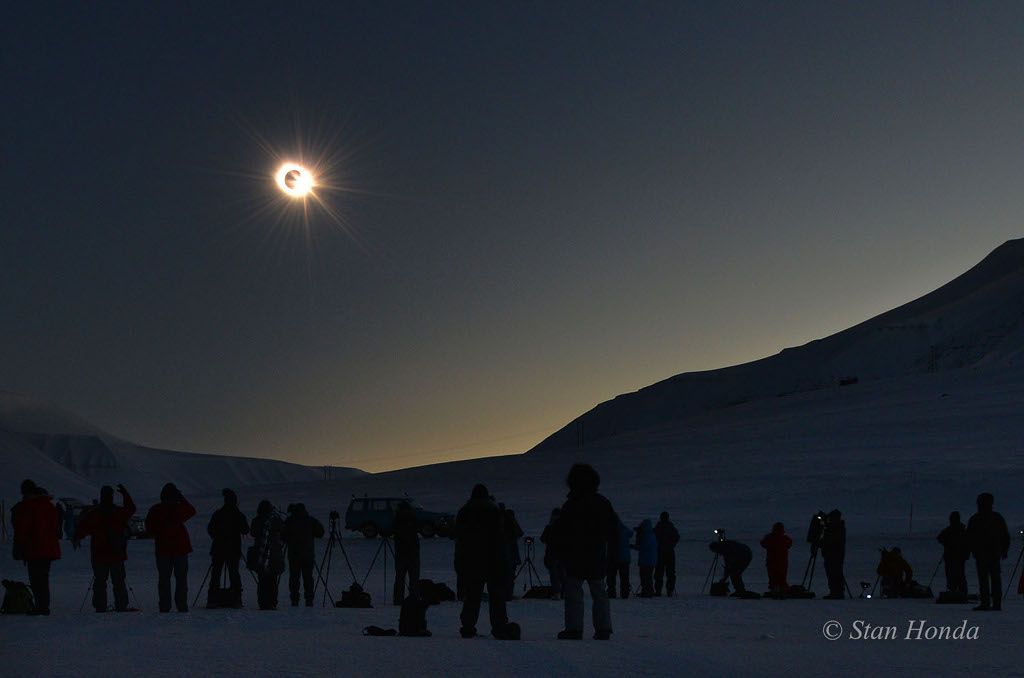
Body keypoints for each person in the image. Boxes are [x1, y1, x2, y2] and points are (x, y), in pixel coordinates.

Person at [555, 463, 617, 640]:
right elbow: (613, 529)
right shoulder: (602, 502)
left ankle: (574, 629)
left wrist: (560, 553)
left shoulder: (571, 504)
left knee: (574, 592)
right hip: (597, 554)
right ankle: (603, 628)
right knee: (599, 592)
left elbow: (562, 532)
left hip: (575, 555)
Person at [454, 484, 518, 639]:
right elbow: (501, 538)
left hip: (472, 560)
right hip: (494, 560)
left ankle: (468, 626)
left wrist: (460, 562)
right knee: (497, 596)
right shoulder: (494, 511)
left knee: (472, 595)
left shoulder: (464, 511)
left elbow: (460, 539)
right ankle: (499, 626)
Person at [74, 484, 136, 612]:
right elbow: (131, 509)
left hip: (99, 554)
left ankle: (100, 606)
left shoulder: (95, 513)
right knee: (118, 582)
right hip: (116, 553)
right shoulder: (117, 512)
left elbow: (83, 527)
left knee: (100, 582)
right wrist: (125, 494)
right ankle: (121, 605)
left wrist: (77, 537)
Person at [145, 483, 196, 612]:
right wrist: (181, 498)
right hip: (178, 549)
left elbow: (149, 529)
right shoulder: (177, 509)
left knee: (165, 579)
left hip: (164, 550)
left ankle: (165, 606)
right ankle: (181, 605)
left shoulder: (156, 509)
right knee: (180, 580)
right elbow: (191, 510)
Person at [12, 479, 61, 615]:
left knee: (36, 579)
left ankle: (41, 607)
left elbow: (23, 529)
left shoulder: (28, 507)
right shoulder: (49, 506)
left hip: (35, 549)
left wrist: (19, 547)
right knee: (43, 578)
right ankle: (43, 606)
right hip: (49, 549)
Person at [967, 492, 1010, 611]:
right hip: (990, 553)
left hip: (986, 554)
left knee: (987, 579)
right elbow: (1005, 536)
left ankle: (989, 603)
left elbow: (969, 537)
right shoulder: (996, 518)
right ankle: (994, 603)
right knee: (992, 579)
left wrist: (1004, 549)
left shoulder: (977, 518)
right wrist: (1004, 550)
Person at [207, 488, 249, 608]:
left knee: (216, 573)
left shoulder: (218, 514)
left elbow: (210, 529)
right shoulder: (238, 515)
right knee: (234, 573)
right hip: (233, 549)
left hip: (218, 549)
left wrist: (217, 537)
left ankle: (213, 599)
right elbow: (246, 529)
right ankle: (236, 599)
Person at [282, 503, 324, 607]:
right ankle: (309, 599)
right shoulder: (310, 521)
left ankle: (294, 599)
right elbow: (320, 533)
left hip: (294, 555)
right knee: (308, 578)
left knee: (294, 578)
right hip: (308, 555)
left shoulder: (290, 521)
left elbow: (283, 536)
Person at [251, 500, 285, 610]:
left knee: (262, 580)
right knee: (272, 579)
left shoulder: (257, 521)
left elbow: (252, 532)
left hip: (261, 554)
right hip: (275, 554)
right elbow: (283, 532)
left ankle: (263, 602)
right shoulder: (277, 520)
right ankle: (272, 602)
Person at [392, 500, 420, 605]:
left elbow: (393, 530)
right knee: (414, 577)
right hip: (413, 553)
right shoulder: (413, 517)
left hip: (401, 553)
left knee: (400, 578)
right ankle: (414, 597)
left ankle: (398, 599)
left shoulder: (398, 518)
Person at [937, 511, 969, 594]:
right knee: (953, 574)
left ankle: (959, 591)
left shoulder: (959, 530)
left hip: (957, 556)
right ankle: (954, 590)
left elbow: (967, 543)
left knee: (958, 574)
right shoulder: (955, 530)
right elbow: (940, 538)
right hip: (952, 556)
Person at [760, 522, 792, 596]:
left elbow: (763, 543)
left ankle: (775, 589)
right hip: (782, 561)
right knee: (781, 576)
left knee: (773, 576)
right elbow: (790, 544)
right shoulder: (785, 538)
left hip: (772, 561)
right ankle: (782, 589)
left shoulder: (769, 538)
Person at [821, 509, 846, 599]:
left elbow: (832, 539)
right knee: (832, 573)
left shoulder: (838, 528)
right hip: (831, 554)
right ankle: (834, 591)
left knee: (835, 573)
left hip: (835, 555)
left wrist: (826, 526)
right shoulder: (835, 527)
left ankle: (837, 592)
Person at [540, 508, 565, 599]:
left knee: (554, 575)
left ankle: (557, 592)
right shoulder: (564, 528)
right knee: (562, 574)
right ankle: (563, 592)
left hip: (552, 554)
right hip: (561, 554)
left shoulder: (549, 527)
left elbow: (543, 539)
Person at [653, 512, 680, 597]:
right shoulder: (671, 527)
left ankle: (659, 591)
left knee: (659, 572)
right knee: (670, 572)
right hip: (669, 552)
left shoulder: (658, 528)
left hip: (661, 552)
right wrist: (672, 544)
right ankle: (669, 590)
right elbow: (676, 537)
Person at [606, 519, 631, 599]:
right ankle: (625, 593)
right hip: (624, 558)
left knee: (611, 577)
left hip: (613, 558)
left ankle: (611, 593)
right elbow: (631, 533)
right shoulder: (625, 530)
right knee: (624, 577)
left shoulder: (610, 532)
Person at [502, 507, 524, 600]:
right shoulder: (509, 526)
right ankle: (508, 594)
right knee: (509, 576)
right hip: (510, 555)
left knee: (508, 575)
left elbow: (519, 533)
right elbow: (519, 533)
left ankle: (507, 594)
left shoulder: (503, 525)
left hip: (508, 555)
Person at [634, 519, 657, 597]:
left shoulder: (646, 536)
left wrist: (634, 546)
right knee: (648, 576)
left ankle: (646, 592)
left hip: (646, 560)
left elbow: (642, 547)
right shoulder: (652, 535)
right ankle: (648, 591)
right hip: (651, 559)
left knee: (645, 576)